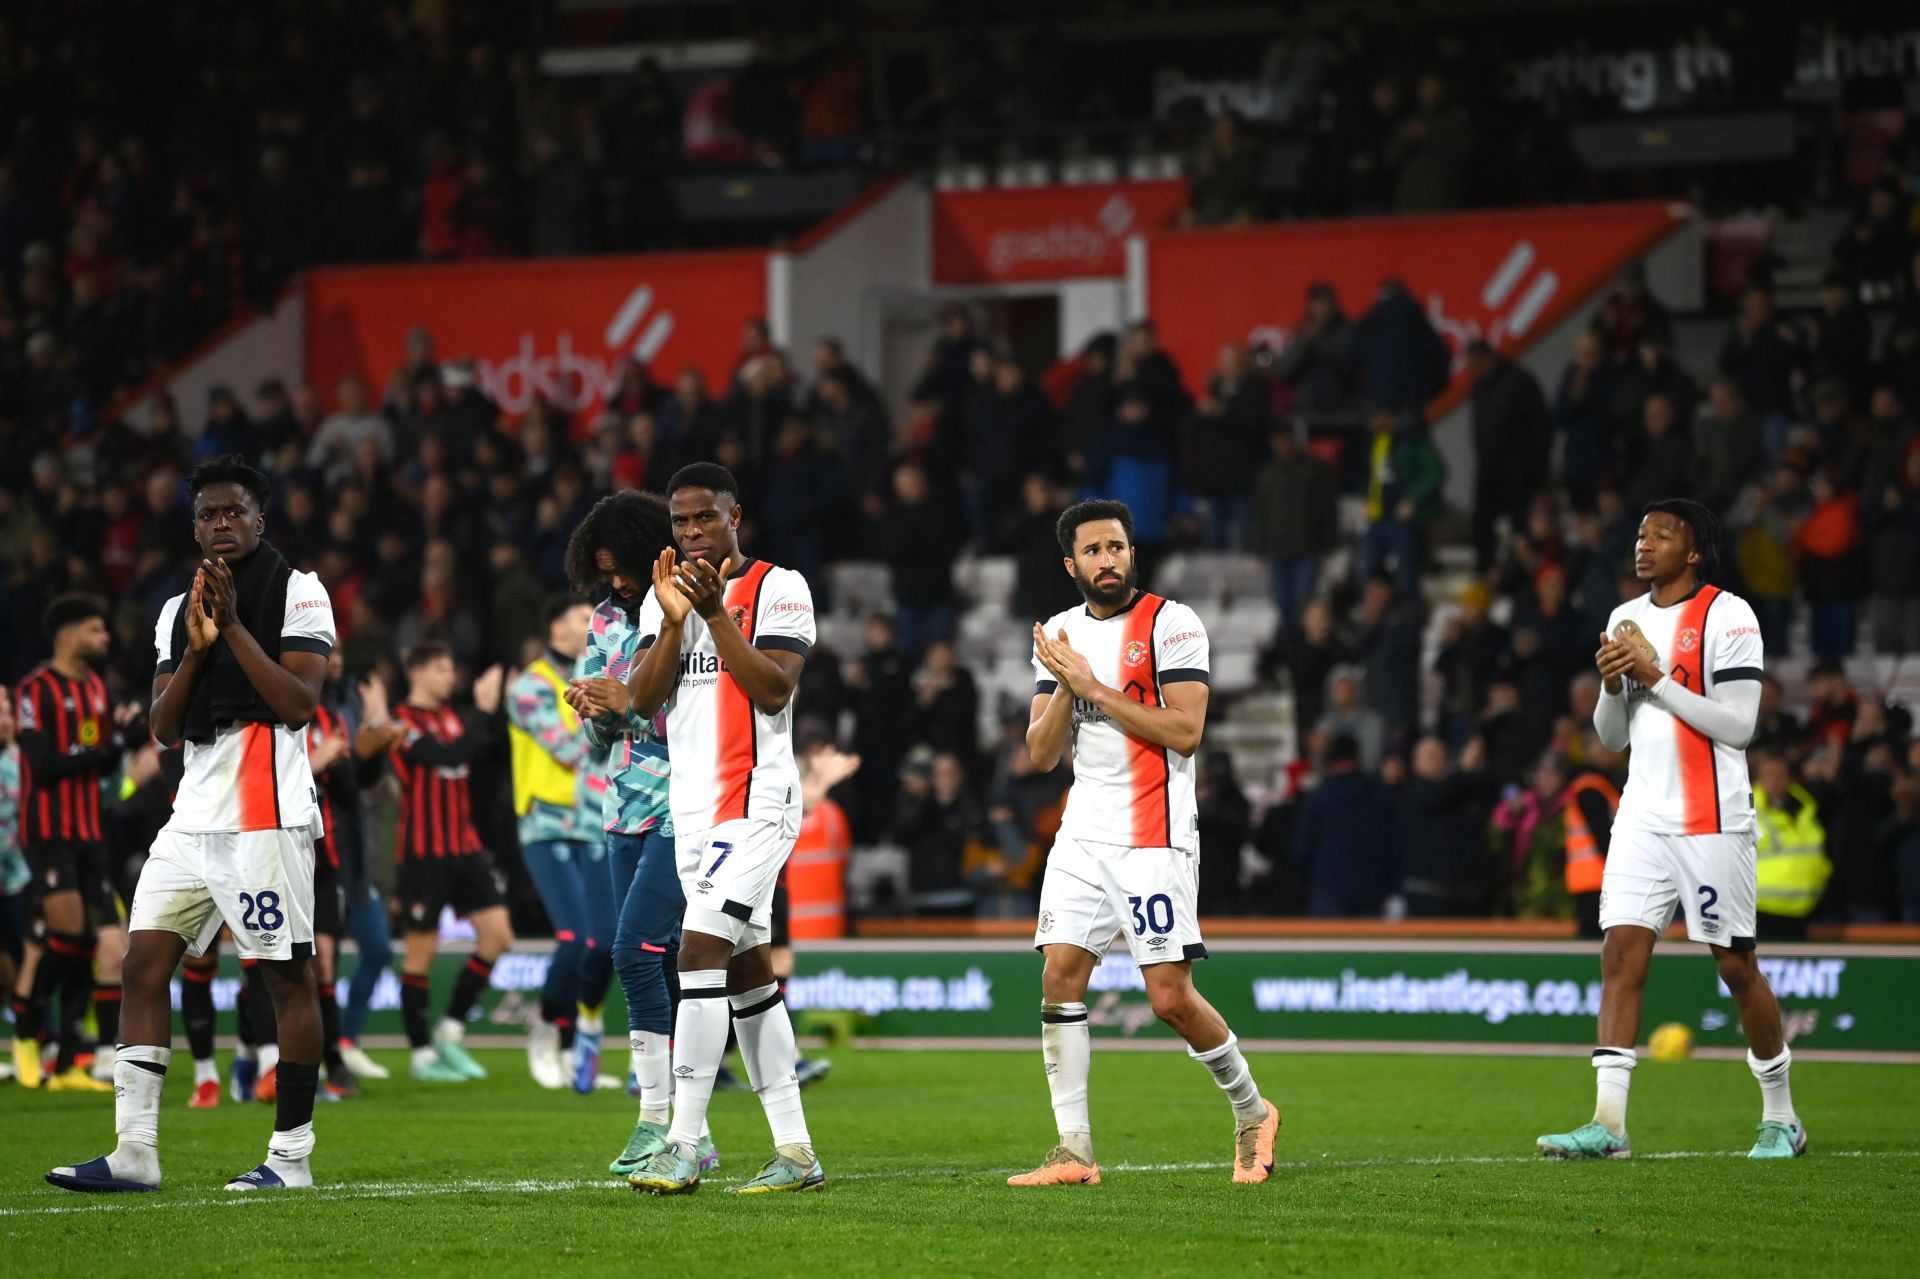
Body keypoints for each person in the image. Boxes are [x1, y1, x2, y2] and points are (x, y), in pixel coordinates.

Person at [48, 455, 335, 1193]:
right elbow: (165, 726)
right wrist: (200, 648)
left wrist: (235, 629)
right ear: (195, 525)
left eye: (234, 510)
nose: (221, 524)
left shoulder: (301, 592)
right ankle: (135, 1152)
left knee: (285, 980)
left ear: (260, 517)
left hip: (266, 811)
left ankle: (291, 1159)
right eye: (208, 514)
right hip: (193, 812)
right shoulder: (177, 611)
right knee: (141, 965)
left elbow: (300, 702)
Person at [1012, 498, 1280, 1188]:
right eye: (1094, 550)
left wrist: (1093, 683)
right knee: (1059, 976)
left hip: (1153, 837)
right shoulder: (1061, 633)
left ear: (1133, 552)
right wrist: (1069, 688)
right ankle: (1073, 1148)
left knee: (1168, 998)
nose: (1109, 559)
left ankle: (1253, 1109)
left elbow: (1185, 731)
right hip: (1082, 835)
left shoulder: (1172, 623)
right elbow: (1040, 755)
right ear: (1070, 563)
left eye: (1118, 547)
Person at [1539, 499, 1807, 1161]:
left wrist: (1652, 676)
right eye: (1639, 533)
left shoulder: (1728, 614)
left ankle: (1783, 1117)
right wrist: (1610, 688)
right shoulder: (1623, 620)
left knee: (1736, 967)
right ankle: (1609, 1124)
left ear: (1693, 551)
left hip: (1712, 821)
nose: (1643, 542)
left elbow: (1740, 727)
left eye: (1661, 533)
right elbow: (1610, 737)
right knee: (1620, 956)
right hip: (1642, 817)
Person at [621, 462, 824, 1195]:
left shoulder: (780, 586)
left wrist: (712, 615)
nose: (692, 533)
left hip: (759, 801)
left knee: (698, 948)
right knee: (746, 974)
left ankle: (681, 1142)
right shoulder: (663, 593)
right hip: (694, 809)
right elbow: (642, 700)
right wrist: (675, 618)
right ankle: (798, 1152)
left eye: (705, 518)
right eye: (680, 522)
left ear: (736, 516)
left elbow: (773, 687)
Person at [563, 489, 722, 1179]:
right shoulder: (602, 618)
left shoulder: (687, 606)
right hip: (620, 803)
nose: (618, 582)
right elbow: (605, 732)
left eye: (622, 566)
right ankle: (699, 1133)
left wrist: (629, 702)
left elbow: (694, 709)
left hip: (682, 802)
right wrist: (592, 705)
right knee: (655, 962)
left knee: (633, 948)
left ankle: (655, 1118)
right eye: (605, 572)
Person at [13, 595, 135, 1091]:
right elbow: (42, 764)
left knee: (109, 944)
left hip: (89, 834)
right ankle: (28, 1033)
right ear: (67, 635)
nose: (104, 638)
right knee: (69, 936)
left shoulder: (97, 691)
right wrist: (100, 751)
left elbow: (100, 760)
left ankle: (82, 1061)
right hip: (47, 833)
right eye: (95, 629)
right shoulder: (34, 690)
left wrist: (120, 743)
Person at [389, 642, 511, 1083]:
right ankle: (421, 1054)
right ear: (416, 672)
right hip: (423, 854)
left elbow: (480, 749)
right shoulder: (400, 722)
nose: (450, 677)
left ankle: (450, 1030)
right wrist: (483, 707)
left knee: (498, 936)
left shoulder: (453, 716)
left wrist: (494, 709)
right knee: (421, 953)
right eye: (441, 670)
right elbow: (448, 757)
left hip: (464, 847)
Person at [509, 595, 617, 1092]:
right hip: (546, 825)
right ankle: (546, 1032)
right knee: (573, 938)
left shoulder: (586, 679)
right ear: (556, 626)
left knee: (602, 942)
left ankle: (577, 1049)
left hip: (592, 824)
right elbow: (570, 749)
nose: (592, 625)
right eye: (581, 618)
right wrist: (603, 705)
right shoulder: (531, 685)